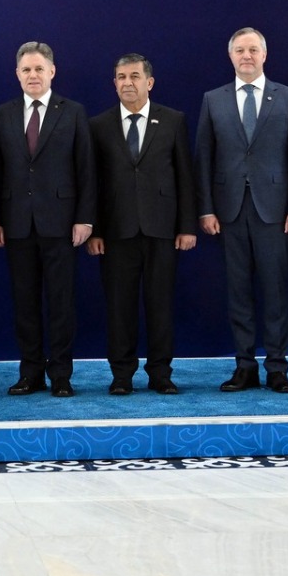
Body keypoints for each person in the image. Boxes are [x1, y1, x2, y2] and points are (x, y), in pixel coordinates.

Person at [195, 27, 288, 394]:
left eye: (253, 50)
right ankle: (244, 366)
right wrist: (206, 209)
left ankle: (277, 367)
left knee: (276, 291)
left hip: (275, 212)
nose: (246, 56)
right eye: (240, 50)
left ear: (264, 55)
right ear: (231, 56)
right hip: (228, 212)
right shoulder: (213, 99)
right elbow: (203, 159)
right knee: (238, 292)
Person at [0, 42, 95, 398]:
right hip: (17, 223)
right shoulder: (2, 114)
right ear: (17, 74)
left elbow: (86, 169)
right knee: (25, 303)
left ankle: (61, 374)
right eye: (26, 70)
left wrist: (85, 219)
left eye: (39, 69)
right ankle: (30, 373)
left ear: (52, 71)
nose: (33, 75)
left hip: (62, 224)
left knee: (61, 303)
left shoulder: (73, 111)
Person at [86, 54, 196, 395]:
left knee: (160, 305)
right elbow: (92, 183)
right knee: (119, 307)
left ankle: (160, 373)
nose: (127, 82)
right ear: (114, 83)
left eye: (134, 76)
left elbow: (184, 175)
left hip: (162, 230)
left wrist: (187, 226)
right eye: (121, 77)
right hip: (116, 232)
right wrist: (95, 230)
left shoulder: (173, 120)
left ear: (149, 82)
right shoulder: (98, 125)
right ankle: (122, 375)